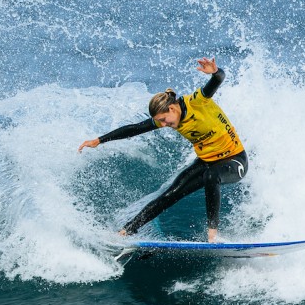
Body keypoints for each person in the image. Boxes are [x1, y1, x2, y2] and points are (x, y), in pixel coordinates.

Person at [78, 57, 247, 243]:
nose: (164, 124)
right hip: (206, 161)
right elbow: (134, 129)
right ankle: (126, 232)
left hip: (234, 160)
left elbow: (218, 79)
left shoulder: (197, 102)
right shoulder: (166, 118)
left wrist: (215, 72)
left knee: (211, 177)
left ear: (173, 108)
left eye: (165, 119)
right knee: (170, 194)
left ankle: (212, 236)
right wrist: (99, 140)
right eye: (161, 121)